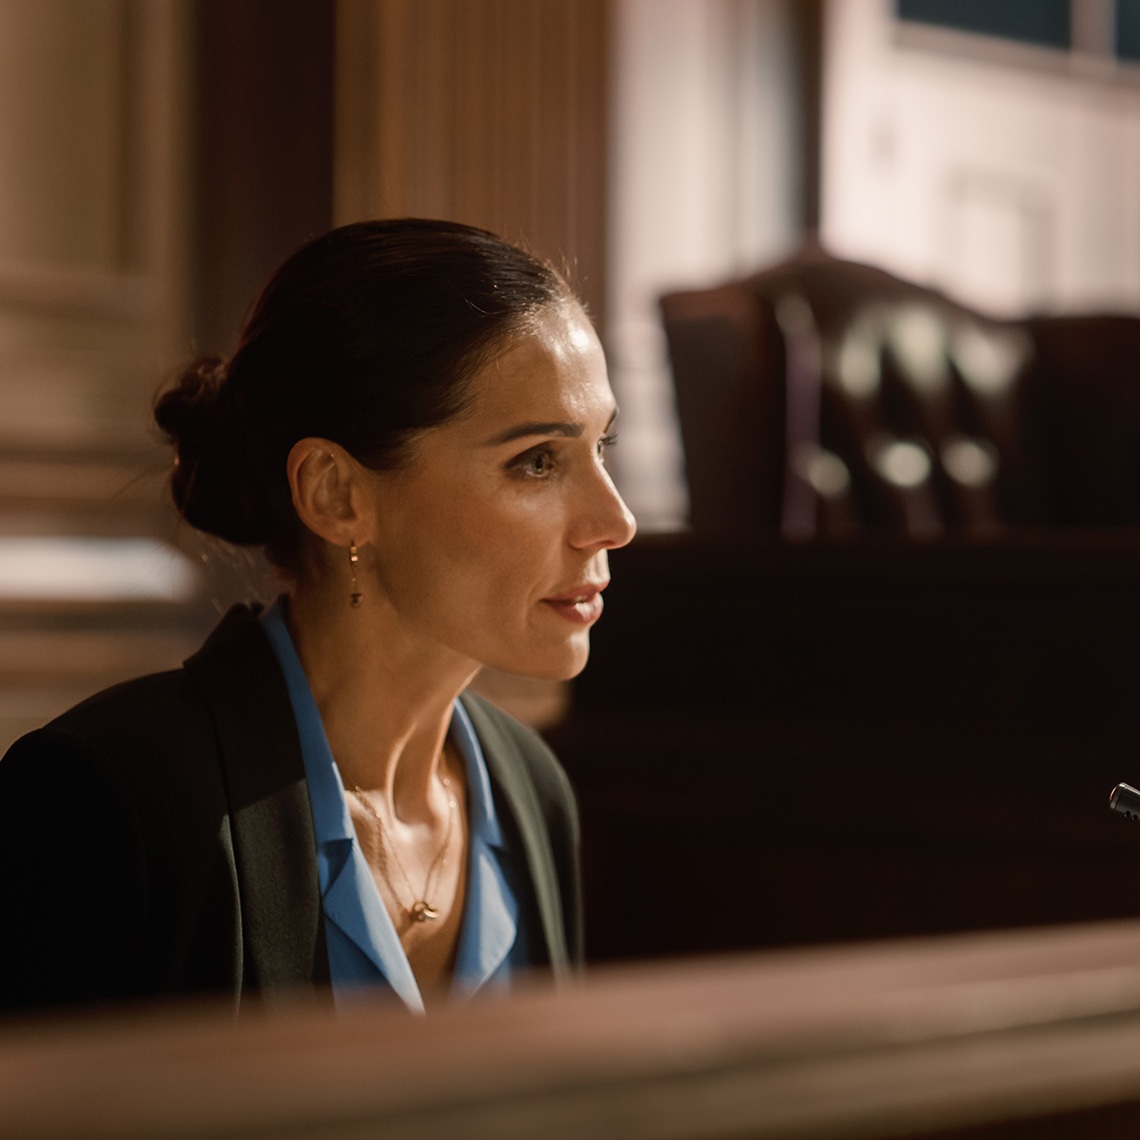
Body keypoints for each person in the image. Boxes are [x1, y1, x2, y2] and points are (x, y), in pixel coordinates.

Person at [0, 218, 636, 1015]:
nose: (616, 521)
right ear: (336, 494)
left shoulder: (531, 794)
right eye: (537, 461)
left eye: (601, 447)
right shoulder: (108, 803)